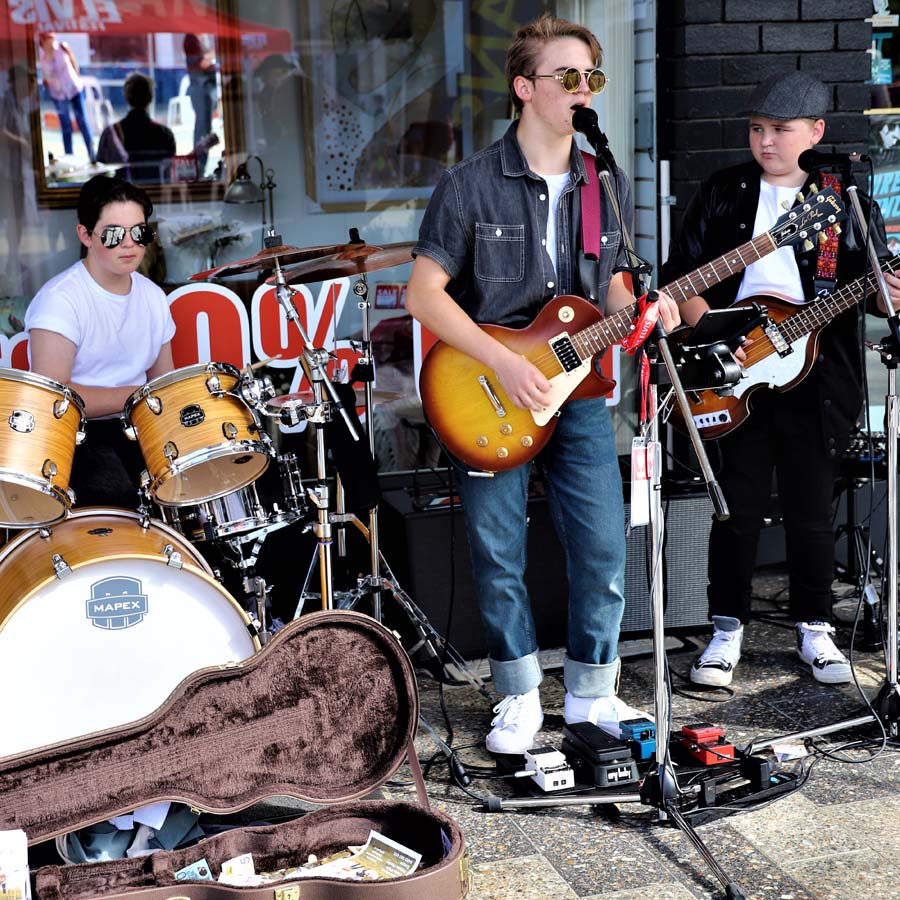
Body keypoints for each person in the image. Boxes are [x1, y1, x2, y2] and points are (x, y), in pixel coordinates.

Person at [406, 14, 680, 754]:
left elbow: (614, 286)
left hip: (583, 394)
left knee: (601, 548)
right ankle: (519, 694)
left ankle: (593, 694)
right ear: (525, 88)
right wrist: (502, 362)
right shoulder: (468, 185)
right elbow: (423, 295)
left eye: (592, 76)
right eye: (568, 77)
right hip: (488, 391)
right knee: (498, 551)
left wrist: (645, 311)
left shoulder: (605, 181)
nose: (583, 89)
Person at [661, 71, 900, 687]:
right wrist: (713, 343)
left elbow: (875, 293)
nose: (766, 142)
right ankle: (724, 632)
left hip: (819, 380)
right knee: (734, 508)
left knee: (810, 508)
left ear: (815, 132)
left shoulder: (844, 200)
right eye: (757, 129)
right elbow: (679, 274)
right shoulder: (724, 191)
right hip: (733, 373)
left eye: (780, 130)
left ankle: (816, 631)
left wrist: (885, 293)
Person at [25, 175, 175, 509]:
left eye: (140, 233)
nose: (129, 244)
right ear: (85, 235)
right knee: (116, 495)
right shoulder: (60, 300)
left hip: (138, 425)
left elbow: (164, 382)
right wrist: (138, 395)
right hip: (78, 435)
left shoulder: (153, 297)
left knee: (199, 476)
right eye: (112, 234)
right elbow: (55, 399)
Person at [96, 72, 176, 182]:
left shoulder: (111, 133)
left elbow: (101, 172)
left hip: (124, 196)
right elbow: (169, 173)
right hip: (156, 195)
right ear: (151, 98)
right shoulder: (166, 135)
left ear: (126, 96)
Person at [38, 32, 96, 164]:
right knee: (65, 124)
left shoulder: (62, 47)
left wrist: (76, 76)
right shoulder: (42, 57)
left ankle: (92, 154)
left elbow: (73, 62)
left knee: (82, 120)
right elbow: (46, 75)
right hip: (58, 94)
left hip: (73, 88)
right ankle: (69, 156)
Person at [183, 34, 218, 176]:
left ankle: (201, 167)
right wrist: (214, 53)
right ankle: (199, 167)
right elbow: (201, 63)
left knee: (205, 128)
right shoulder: (191, 39)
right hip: (201, 87)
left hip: (207, 87)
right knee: (202, 129)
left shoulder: (204, 38)